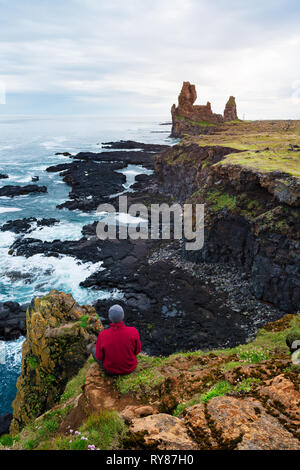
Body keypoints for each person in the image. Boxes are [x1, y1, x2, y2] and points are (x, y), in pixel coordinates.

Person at [91, 304, 141, 376]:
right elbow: (137, 351)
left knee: (93, 349)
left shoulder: (102, 335)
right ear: (123, 316)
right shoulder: (133, 331)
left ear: (110, 317)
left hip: (111, 371)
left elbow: (99, 357)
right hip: (130, 368)